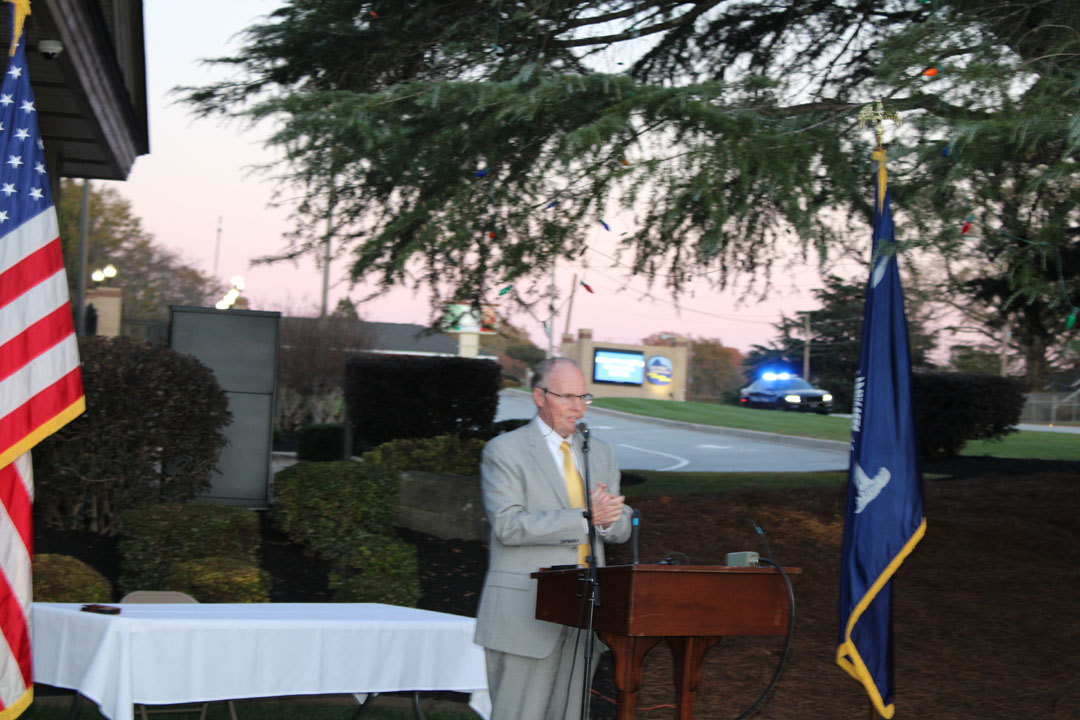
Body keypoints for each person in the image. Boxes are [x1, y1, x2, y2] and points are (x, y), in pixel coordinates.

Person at [475, 357, 633, 720]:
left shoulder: (599, 451)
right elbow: (508, 526)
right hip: (524, 614)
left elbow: (619, 525)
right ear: (539, 396)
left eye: (584, 397)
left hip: (584, 614)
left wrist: (608, 522)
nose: (578, 407)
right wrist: (584, 518)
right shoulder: (505, 451)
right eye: (567, 397)